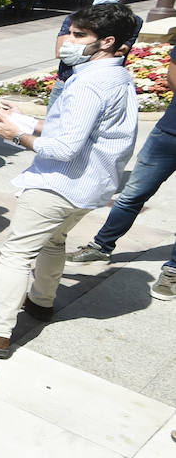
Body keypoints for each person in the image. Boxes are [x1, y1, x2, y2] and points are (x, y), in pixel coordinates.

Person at [0, 4, 140, 358]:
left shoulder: (89, 83)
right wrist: (24, 120)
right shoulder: (117, 77)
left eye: (78, 35)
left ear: (107, 41)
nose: (67, 42)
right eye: (70, 32)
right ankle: (41, 301)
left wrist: (16, 135)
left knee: (15, 254)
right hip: (90, 187)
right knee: (55, 241)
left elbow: (64, 147)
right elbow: (78, 130)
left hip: (59, 185)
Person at [67, 46, 176, 297]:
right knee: (133, 195)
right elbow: (172, 78)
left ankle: (172, 271)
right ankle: (101, 246)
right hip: (169, 134)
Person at [53, 0, 142, 86]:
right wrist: (101, 49)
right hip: (66, 79)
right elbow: (62, 51)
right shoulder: (77, 17)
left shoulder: (132, 21)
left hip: (101, 81)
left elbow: (121, 51)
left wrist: (81, 50)